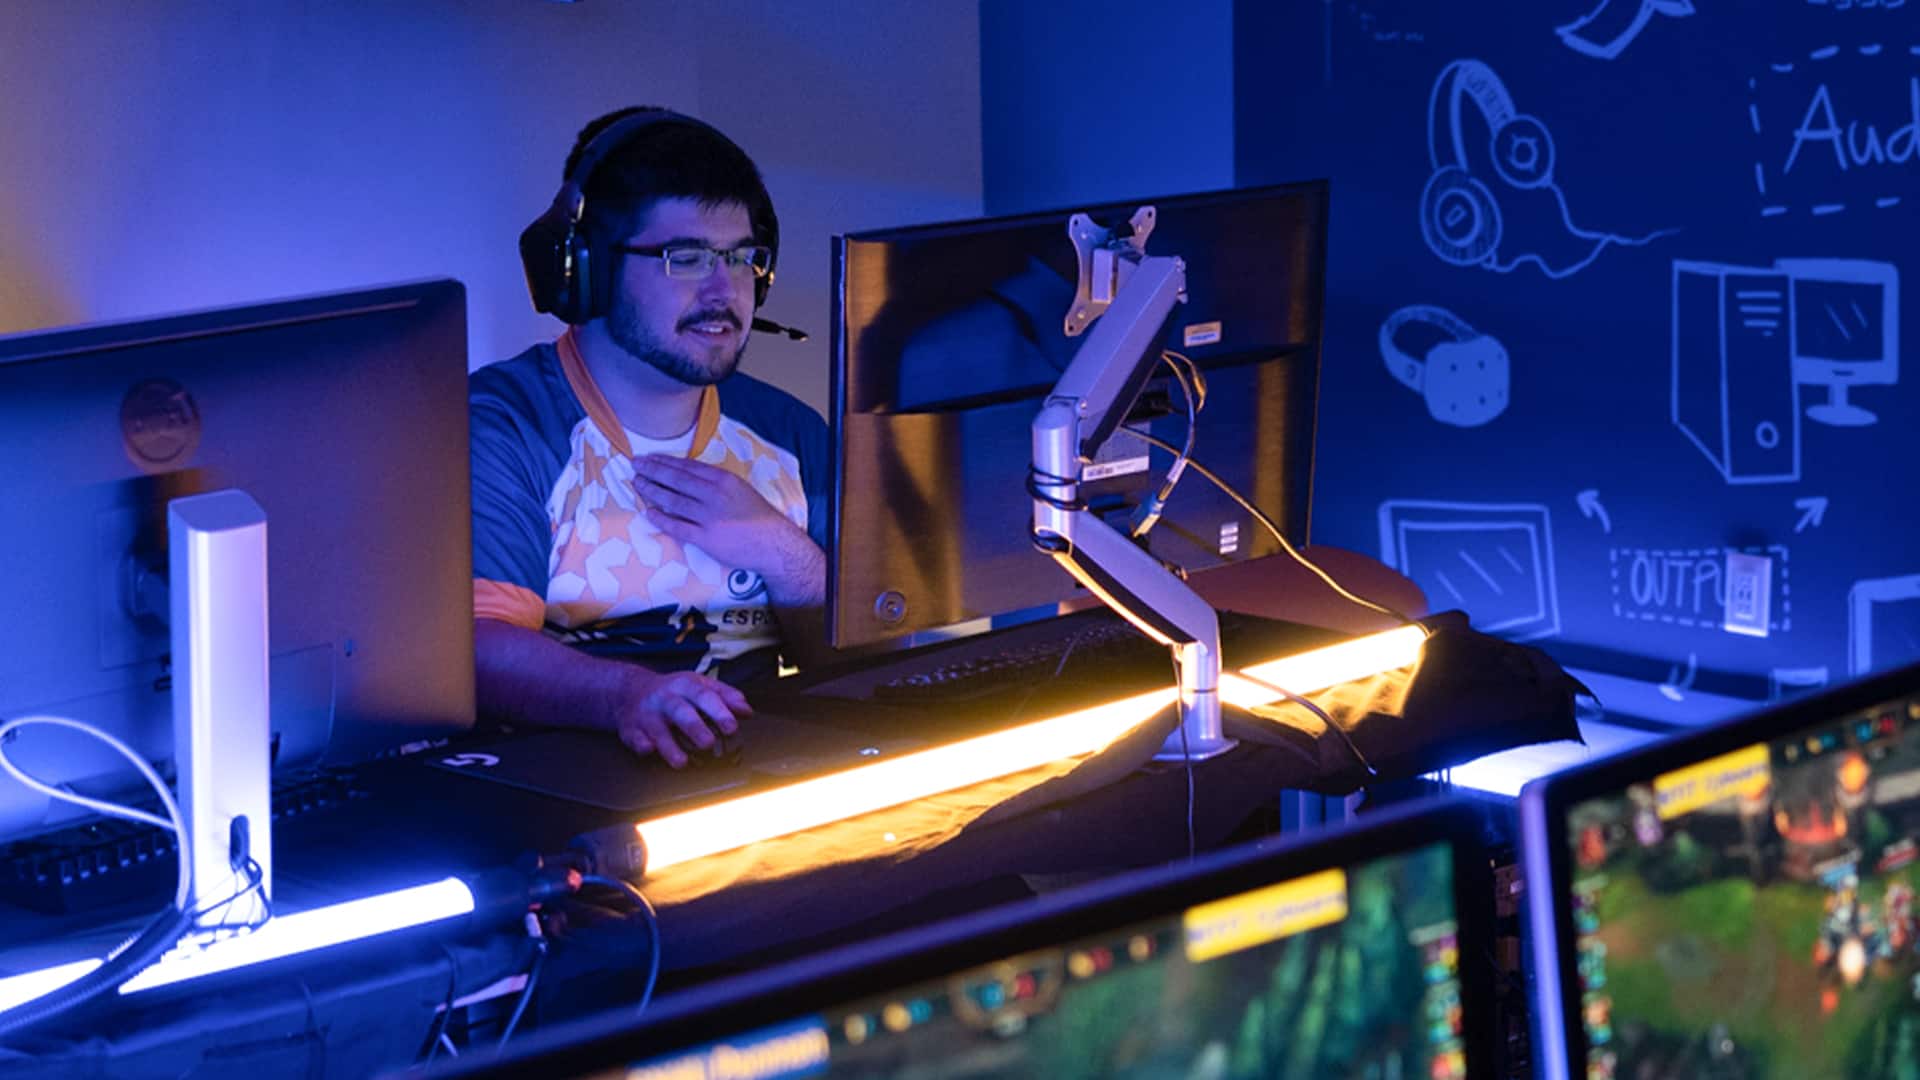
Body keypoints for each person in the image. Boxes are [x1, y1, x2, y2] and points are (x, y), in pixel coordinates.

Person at [469, 107, 828, 768]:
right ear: (588, 269)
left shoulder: (791, 435)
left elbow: (880, 663)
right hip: (563, 807)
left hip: (759, 791)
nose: (726, 291)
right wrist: (626, 694)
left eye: (743, 257)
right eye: (684, 258)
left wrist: (785, 555)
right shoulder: (504, 427)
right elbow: (479, 647)